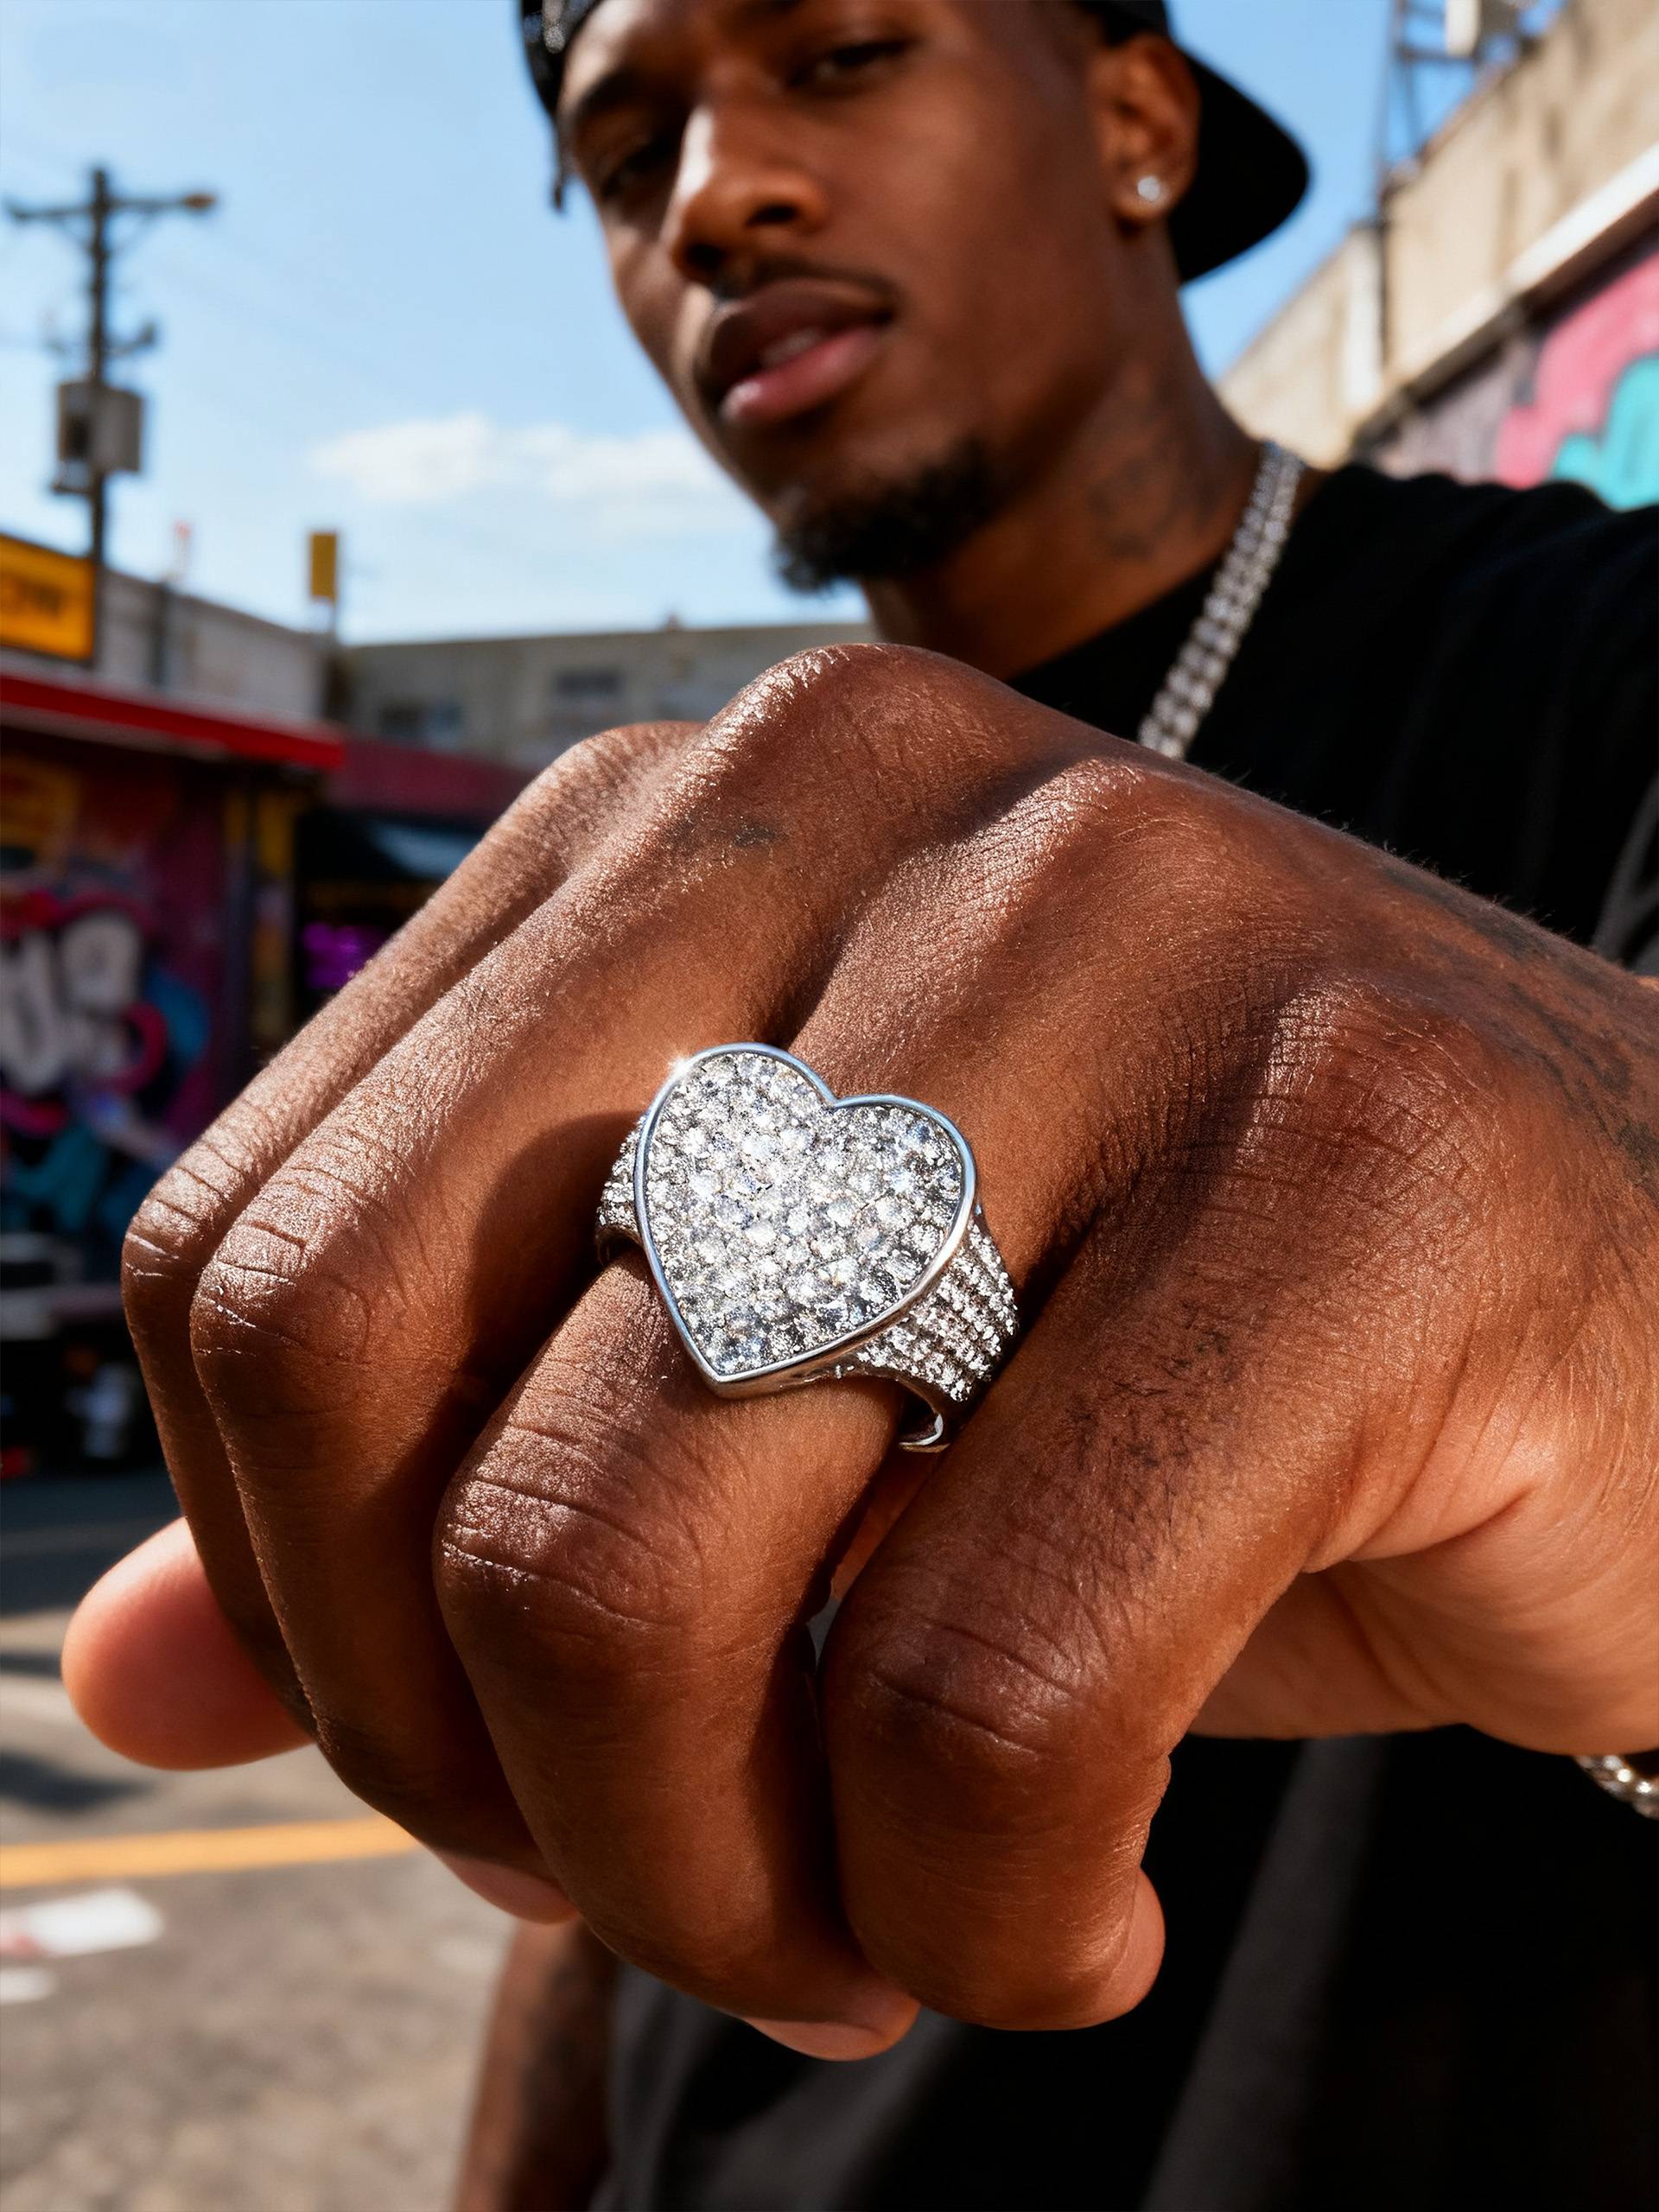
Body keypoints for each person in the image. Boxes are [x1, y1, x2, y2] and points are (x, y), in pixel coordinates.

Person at [66, 2, 1657, 2207]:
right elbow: (603, 1718)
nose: (716, 200)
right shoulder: (679, 883)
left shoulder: (1600, 667)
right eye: (627, 156)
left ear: (1138, 118)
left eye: (839, 52)